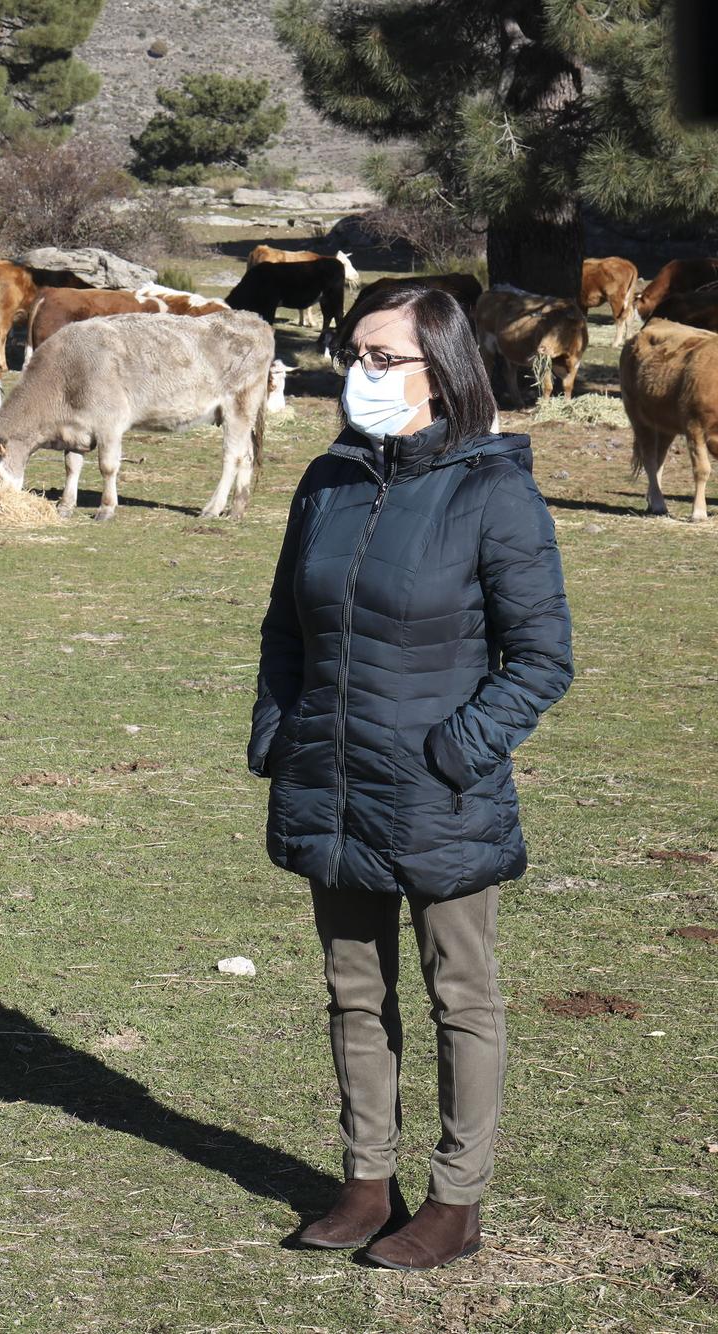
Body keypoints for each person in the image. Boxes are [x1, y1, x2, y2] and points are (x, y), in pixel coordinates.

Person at [249, 280, 573, 1269]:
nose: (360, 373)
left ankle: (453, 1199)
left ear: (442, 370)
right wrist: (279, 732)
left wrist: (454, 751)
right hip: (331, 774)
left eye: (381, 358)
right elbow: (282, 627)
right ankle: (362, 1179)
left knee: (456, 992)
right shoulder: (327, 479)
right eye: (354, 355)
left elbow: (540, 657)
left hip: (439, 790)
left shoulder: (492, 490)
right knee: (353, 988)